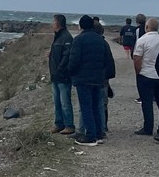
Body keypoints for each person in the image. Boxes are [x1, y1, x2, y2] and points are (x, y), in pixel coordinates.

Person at [66, 14, 116, 146]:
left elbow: (74, 60)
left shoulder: (79, 40)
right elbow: (106, 60)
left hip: (83, 78)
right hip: (98, 78)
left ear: (81, 26)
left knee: (86, 107)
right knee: (95, 106)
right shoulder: (101, 40)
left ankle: (90, 136)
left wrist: (71, 73)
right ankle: (99, 134)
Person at [131, 17, 159, 136]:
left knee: (146, 103)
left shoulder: (142, 40)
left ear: (147, 27)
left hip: (146, 74)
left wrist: (138, 72)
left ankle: (148, 127)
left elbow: (137, 58)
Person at [48, 14, 76, 135]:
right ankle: (59, 123)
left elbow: (66, 57)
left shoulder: (66, 37)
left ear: (58, 23)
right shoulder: (58, 37)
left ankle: (69, 125)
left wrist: (60, 70)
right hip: (55, 75)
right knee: (57, 101)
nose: (52, 24)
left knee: (65, 102)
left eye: (53, 22)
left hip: (63, 76)